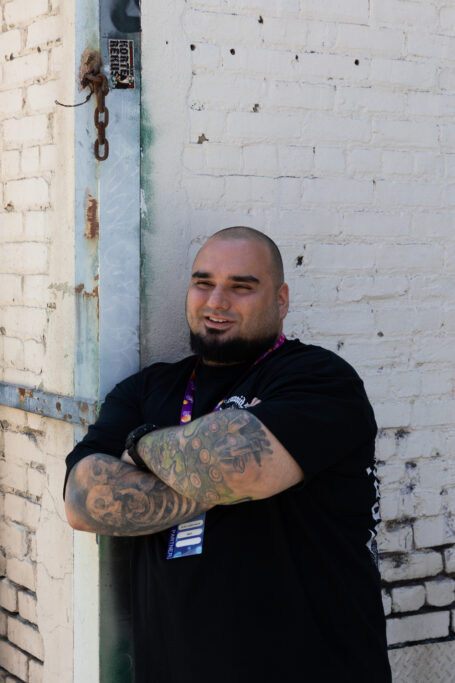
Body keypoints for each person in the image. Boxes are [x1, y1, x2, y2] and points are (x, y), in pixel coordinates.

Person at [64, 226, 391, 683]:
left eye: (241, 287)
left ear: (281, 300)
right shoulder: (146, 388)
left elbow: (240, 472)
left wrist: (137, 447)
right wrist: (204, 457)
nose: (216, 302)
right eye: (204, 283)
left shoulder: (320, 379)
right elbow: (82, 503)